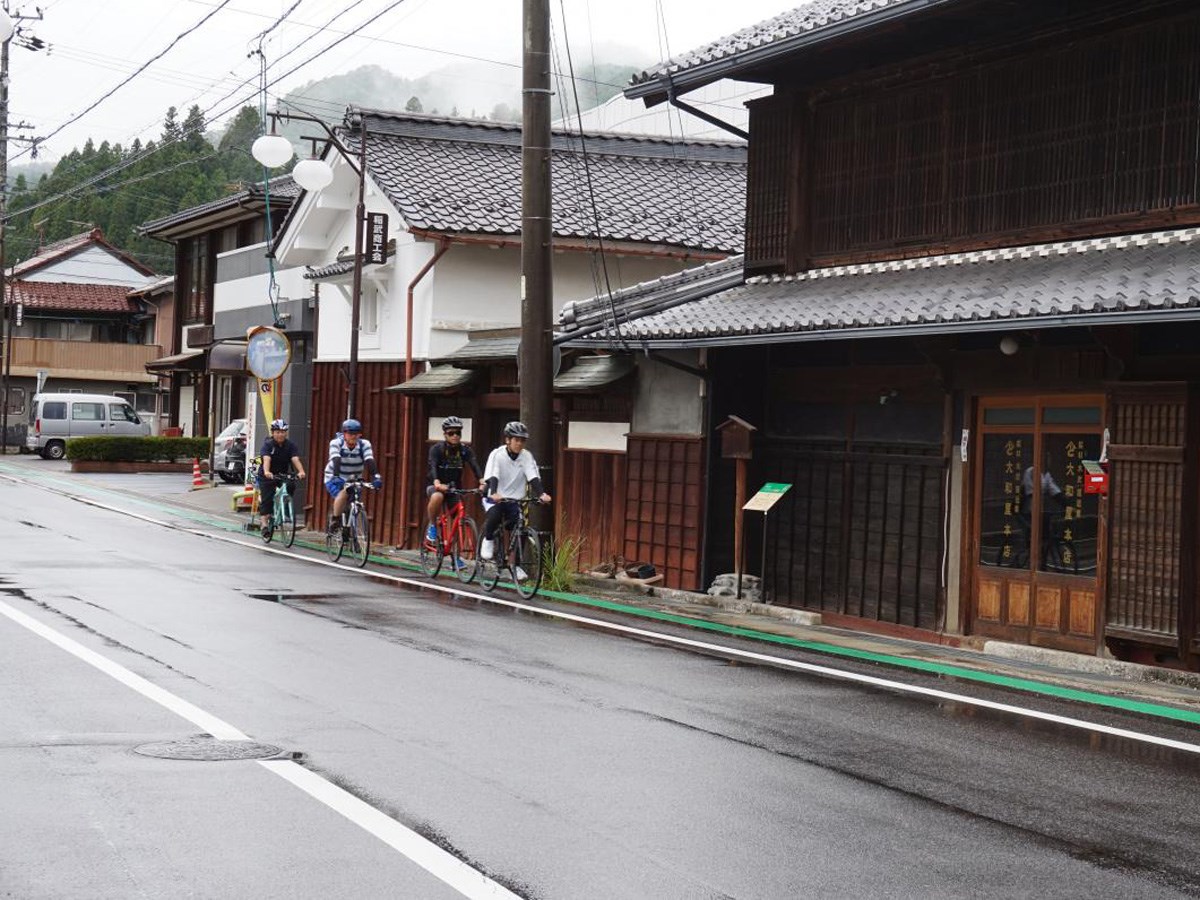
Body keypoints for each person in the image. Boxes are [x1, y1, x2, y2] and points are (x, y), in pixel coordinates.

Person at [479, 421, 551, 563]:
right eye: (516, 440)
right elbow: (494, 475)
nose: (519, 444)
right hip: (496, 497)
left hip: (514, 499)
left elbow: (533, 476)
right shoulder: (497, 454)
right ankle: (488, 540)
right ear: (508, 440)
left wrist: (542, 494)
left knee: (521, 527)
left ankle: (516, 565)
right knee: (494, 515)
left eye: (522, 441)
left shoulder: (527, 456)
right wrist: (494, 493)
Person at [425, 415, 484, 544]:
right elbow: (433, 466)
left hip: (454, 487)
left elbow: (474, 465)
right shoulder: (437, 449)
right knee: (437, 497)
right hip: (436, 485)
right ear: (445, 434)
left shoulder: (465, 450)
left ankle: (455, 555)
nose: (455, 436)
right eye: (451, 433)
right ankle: (432, 525)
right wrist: (437, 483)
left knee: (459, 519)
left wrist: (481, 481)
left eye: (458, 433)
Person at [324, 418, 382, 531]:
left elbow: (369, 460)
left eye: (356, 434)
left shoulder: (364, 444)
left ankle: (351, 531)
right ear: (344, 433)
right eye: (350, 433)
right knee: (344, 493)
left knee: (353, 502)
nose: (354, 436)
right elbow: (336, 459)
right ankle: (335, 519)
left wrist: (376, 476)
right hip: (334, 476)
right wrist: (336, 476)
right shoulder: (336, 443)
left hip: (354, 478)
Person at [258, 418, 306, 532]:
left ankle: (285, 506)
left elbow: (295, 459)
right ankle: (264, 524)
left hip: (282, 474)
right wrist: (267, 472)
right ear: (273, 433)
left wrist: (301, 471)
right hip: (267, 475)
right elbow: (266, 460)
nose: (280, 434)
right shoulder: (268, 445)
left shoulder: (290, 445)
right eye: (278, 432)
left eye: (283, 432)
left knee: (291, 485)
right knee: (267, 498)